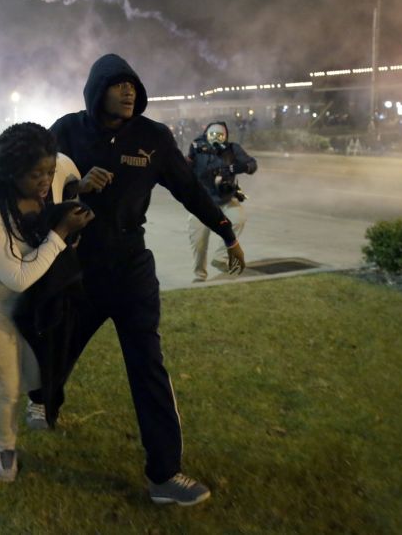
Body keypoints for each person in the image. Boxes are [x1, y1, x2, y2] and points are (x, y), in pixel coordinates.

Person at [40, 53, 246, 506]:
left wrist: (226, 232)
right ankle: (43, 396)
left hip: (131, 264)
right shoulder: (67, 131)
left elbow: (190, 189)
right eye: (118, 85)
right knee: (61, 342)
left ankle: (164, 473)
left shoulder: (153, 138)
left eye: (133, 85)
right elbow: (38, 190)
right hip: (79, 264)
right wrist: (76, 189)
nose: (129, 91)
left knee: (148, 363)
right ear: (98, 90)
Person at [0, 122, 94, 483]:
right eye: (35, 175)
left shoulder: (56, 169)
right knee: (5, 382)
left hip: (28, 293)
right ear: (13, 172)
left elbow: (69, 177)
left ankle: (38, 402)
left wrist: (81, 188)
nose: (46, 180)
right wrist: (60, 235)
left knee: (39, 367)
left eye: (48, 170)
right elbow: (16, 275)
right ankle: (4, 447)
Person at [187, 121, 258, 282]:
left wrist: (234, 168)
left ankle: (220, 258)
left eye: (220, 136)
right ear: (206, 135)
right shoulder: (197, 148)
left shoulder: (233, 149)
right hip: (202, 203)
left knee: (238, 219)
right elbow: (185, 168)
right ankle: (199, 276)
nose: (217, 139)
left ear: (225, 137)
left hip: (226, 199)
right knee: (198, 243)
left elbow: (252, 164)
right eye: (213, 135)